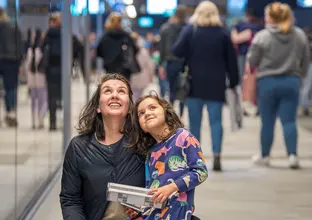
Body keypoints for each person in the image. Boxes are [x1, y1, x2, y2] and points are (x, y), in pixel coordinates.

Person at [60, 74, 145, 220]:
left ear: (130, 107)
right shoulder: (79, 147)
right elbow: (70, 200)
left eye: (121, 91)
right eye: (107, 91)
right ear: (98, 107)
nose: (114, 95)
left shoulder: (143, 143)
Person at [172, 1, 239, 171]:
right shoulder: (223, 33)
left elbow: (176, 50)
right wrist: (233, 81)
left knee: (195, 123)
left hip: (194, 84)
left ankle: (196, 159)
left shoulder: (191, 30)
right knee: (216, 122)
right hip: (216, 85)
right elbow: (231, 60)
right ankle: (217, 155)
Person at [246, 2, 310, 169]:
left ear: (271, 18)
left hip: (267, 82)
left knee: (267, 121)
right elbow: (306, 59)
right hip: (291, 81)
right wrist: (300, 75)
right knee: (289, 121)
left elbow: (252, 60)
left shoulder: (262, 36)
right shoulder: (299, 35)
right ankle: (292, 156)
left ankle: (265, 155)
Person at [129, 95, 208, 220]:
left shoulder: (183, 137)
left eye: (152, 107)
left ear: (165, 111)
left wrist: (171, 187)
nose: (147, 113)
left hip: (177, 214)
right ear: (141, 127)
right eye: (141, 113)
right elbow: (150, 189)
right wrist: (138, 207)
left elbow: (201, 172)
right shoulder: (151, 154)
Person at [159, 5, 187, 117]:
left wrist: (161, 64)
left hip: (170, 62)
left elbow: (162, 48)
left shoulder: (165, 28)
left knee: (171, 88)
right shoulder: (188, 28)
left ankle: (171, 114)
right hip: (184, 63)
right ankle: (181, 113)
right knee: (183, 87)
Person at [97, 12, 139, 80]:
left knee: (112, 87)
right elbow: (134, 51)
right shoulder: (127, 36)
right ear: (120, 22)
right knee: (124, 88)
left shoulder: (105, 37)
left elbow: (99, 52)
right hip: (125, 69)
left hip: (109, 68)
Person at [0, 7, 24, 127]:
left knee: (6, 88)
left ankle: (9, 111)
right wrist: (19, 60)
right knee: (11, 87)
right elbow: (20, 45)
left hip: (3, 59)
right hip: (12, 61)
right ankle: (11, 111)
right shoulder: (13, 27)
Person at [25, 29, 47, 129]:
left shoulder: (32, 50)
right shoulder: (36, 50)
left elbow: (27, 66)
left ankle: (37, 120)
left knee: (37, 100)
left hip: (35, 78)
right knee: (38, 100)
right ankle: (37, 120)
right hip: (37, 78)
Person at [130, 32, 155, 102]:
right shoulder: (143, 51)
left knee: (133, 95)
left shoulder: (127, 51)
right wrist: (151, 76)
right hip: (142, 76)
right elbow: (150, 65)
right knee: (139, 96)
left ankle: (134, 109)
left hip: (131, 77)